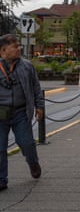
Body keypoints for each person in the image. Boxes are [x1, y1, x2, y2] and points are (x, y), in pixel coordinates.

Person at [0, 34, 44, 191]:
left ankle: (33, 163)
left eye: (19, 45)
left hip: (20, 113)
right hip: (1, 114)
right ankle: (1, 180)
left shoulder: (26, 66)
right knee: (0, 148)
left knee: (27, 144)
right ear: (4, 50)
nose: (19, 49)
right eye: (15, 46)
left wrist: (40, 106)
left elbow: (36, 87)